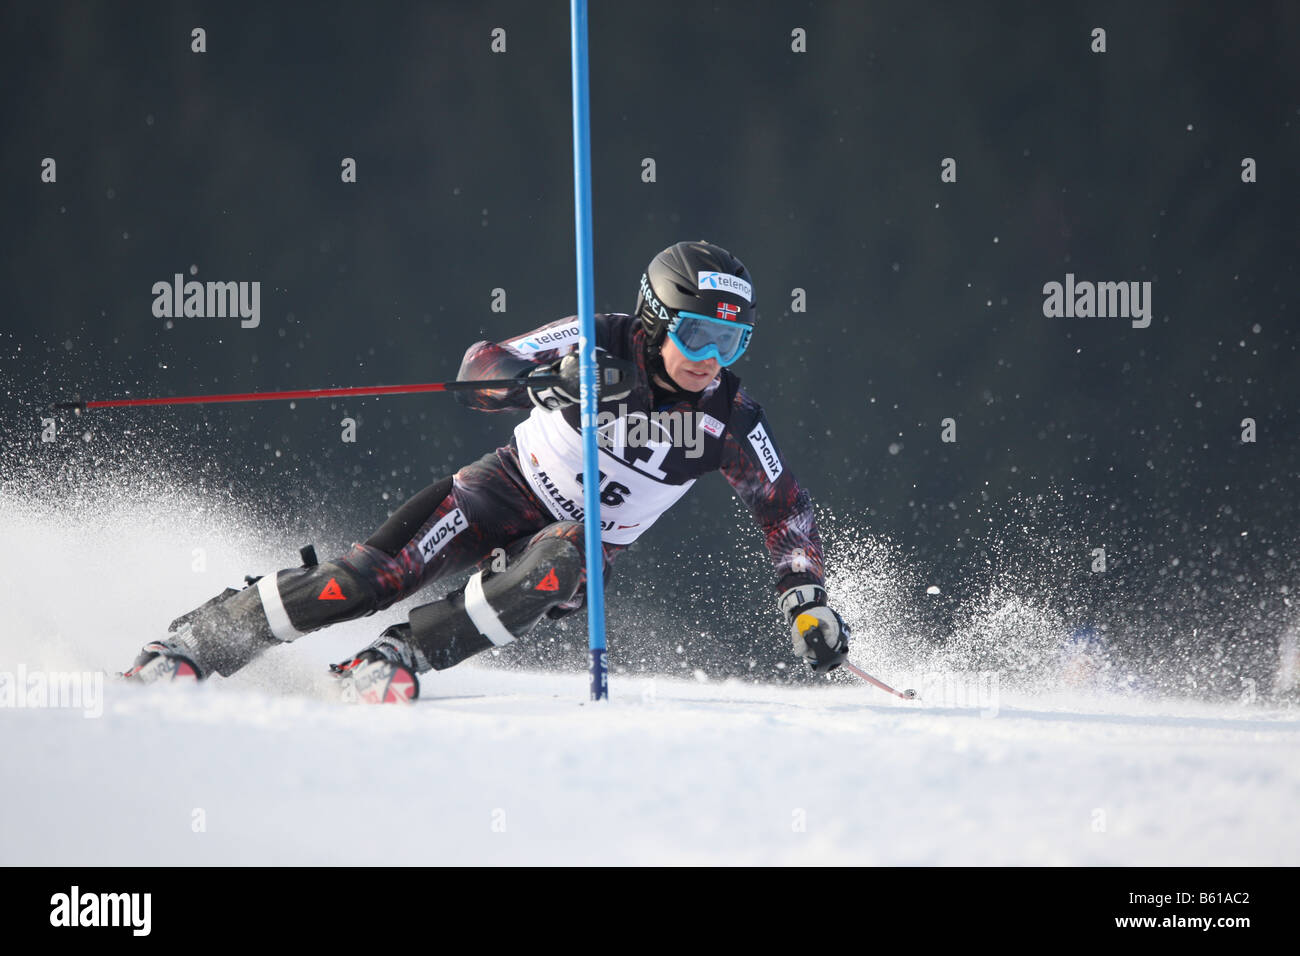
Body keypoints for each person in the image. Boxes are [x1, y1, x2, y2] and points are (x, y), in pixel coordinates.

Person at [124, 241, 851, 701]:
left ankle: (398, 657)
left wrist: (806, 600)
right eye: (696, 334)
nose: (708, 359)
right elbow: (480, 368)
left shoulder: (730, 417)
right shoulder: (602, 339)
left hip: (571, 540)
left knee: (560, 564)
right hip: (494, 495)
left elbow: (784, 510)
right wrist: (554, 378)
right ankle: (201, 638)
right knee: (360, 581)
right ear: (656, 321)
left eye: (731, 340)